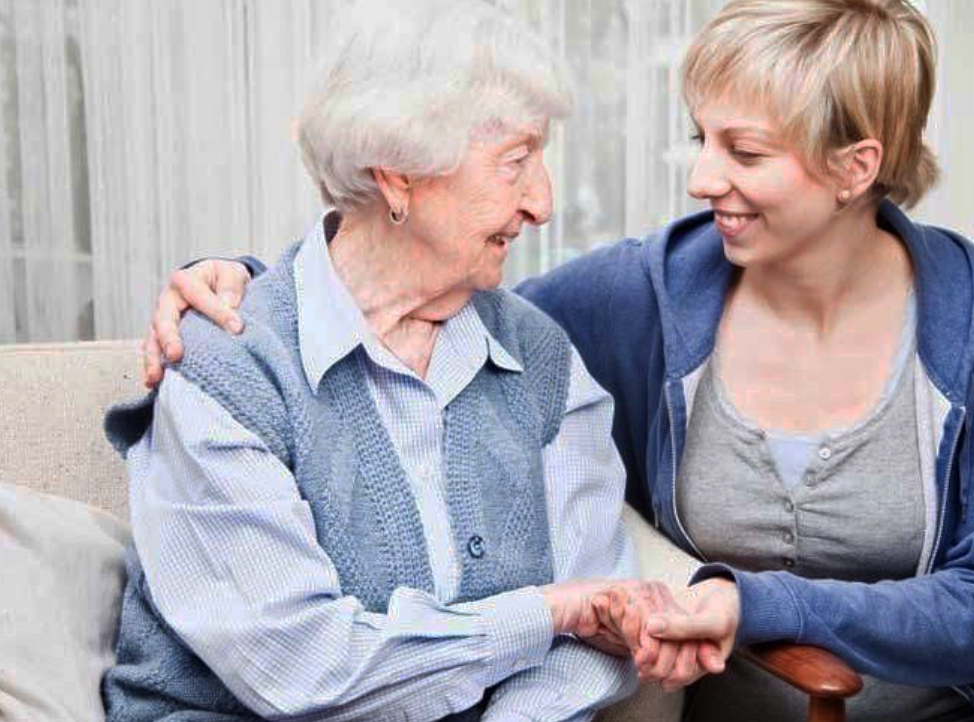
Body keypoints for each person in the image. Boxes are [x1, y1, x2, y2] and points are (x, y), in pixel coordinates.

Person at [141, 0, 974, 720]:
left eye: (743, 150)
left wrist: (741, 604)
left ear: (855, 166)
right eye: (703, 137)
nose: (702, 178)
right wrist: (237, 288)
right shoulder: (640, 299)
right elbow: (363, 302)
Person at [96, 2, 726, 719]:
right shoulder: (228, 375)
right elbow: (303, 669)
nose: (542, 202)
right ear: (396, 176)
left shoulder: (542, 362)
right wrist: (542, 613)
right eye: (515, 162)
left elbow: (598, 627)